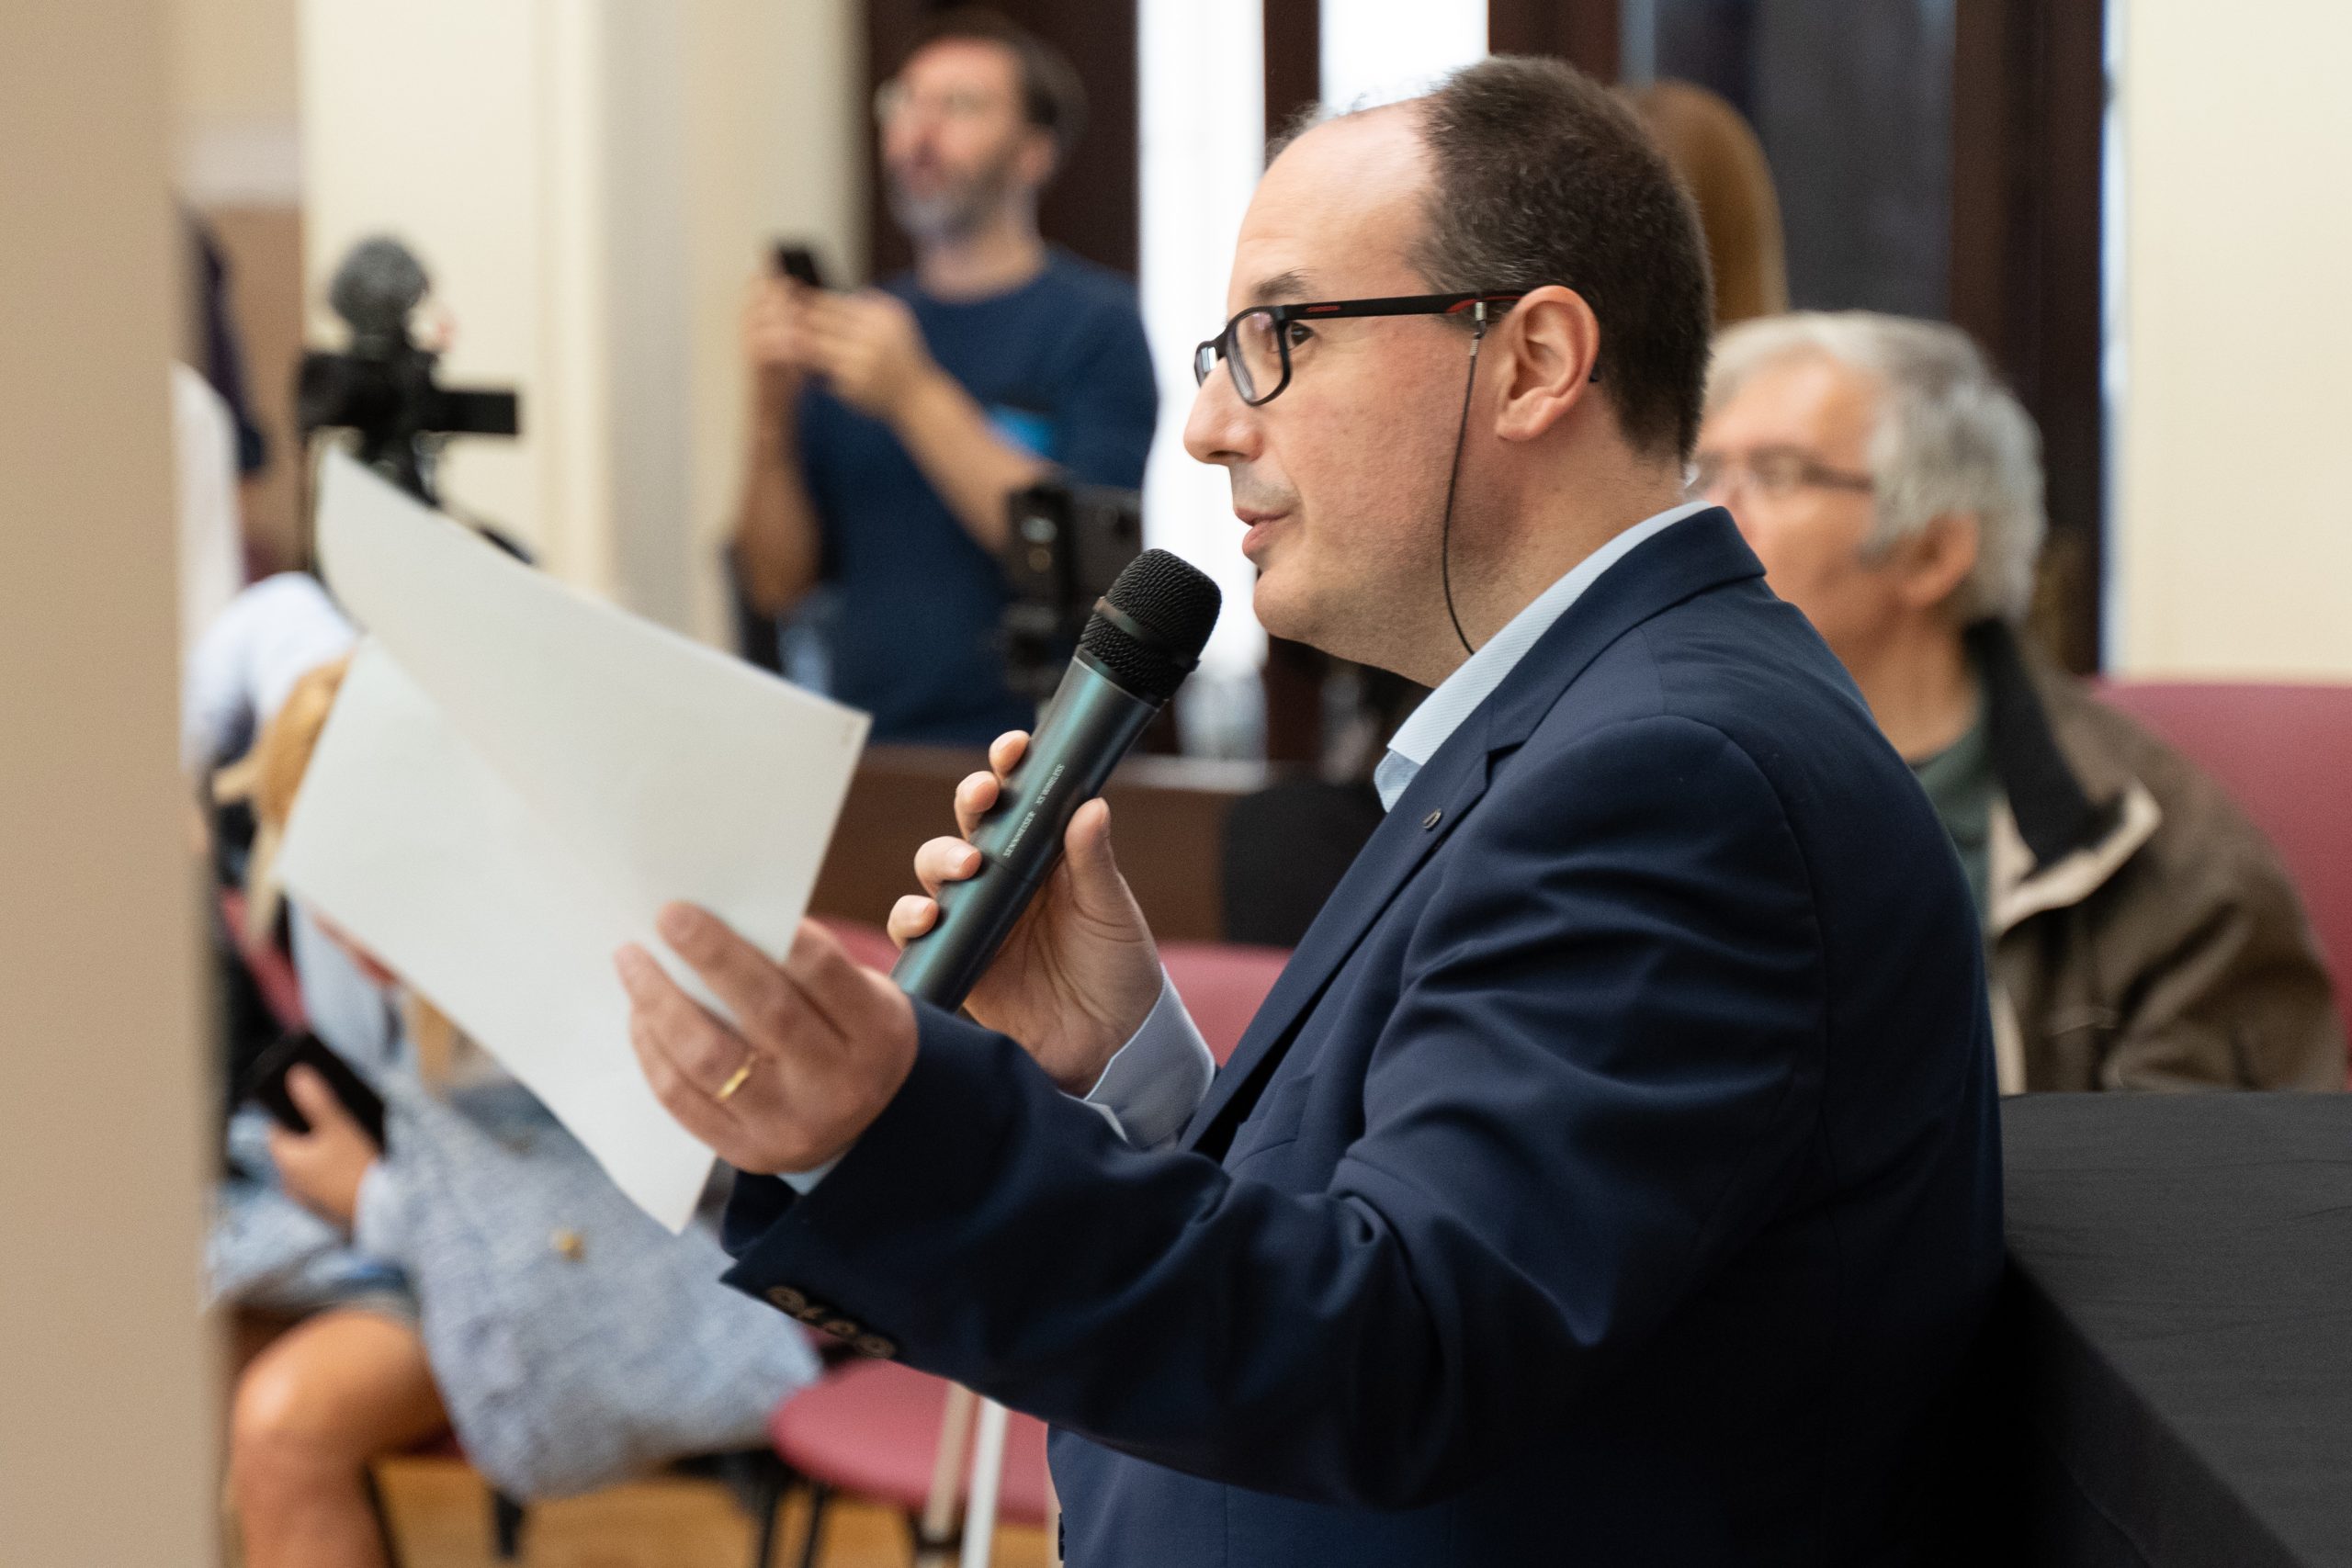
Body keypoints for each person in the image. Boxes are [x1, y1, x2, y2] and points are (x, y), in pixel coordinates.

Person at [622, 58, 1999, 1564]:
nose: (1211, 425)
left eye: (1279, 338)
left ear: (1533, 361)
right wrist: (1131, 1069)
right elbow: (1389, 1230)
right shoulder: (1576, 725)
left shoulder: (1670, 778)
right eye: (1222, 351)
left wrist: (906, 1128)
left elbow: (1399, 1350)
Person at [215, 661, 816, 1568]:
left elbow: (584, 1231)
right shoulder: (382, 956)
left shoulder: (587, 970)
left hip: (640, 1282)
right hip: (444, 1249)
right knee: (199, 1350)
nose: (332, 921)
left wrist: (373, 1199)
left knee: (282, 1426)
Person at [1698, 310, 2344, 1092]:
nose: (1708, 516)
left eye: (1774, 474)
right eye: (1702, 474)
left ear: (1934, 550)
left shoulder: (2174, 865)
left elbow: (2212, 1167)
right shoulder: (1648, 778)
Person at [732, 7, 1157, 744]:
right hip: (863, 746)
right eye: (904, 103)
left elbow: (1085, 564)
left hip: (1035, 747)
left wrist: (912, 395)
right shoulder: (860, 331)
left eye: (959, 105)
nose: (919, 132)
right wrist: (771, 412)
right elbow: (776, 585)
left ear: (1034, 152)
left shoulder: (1098, 325)